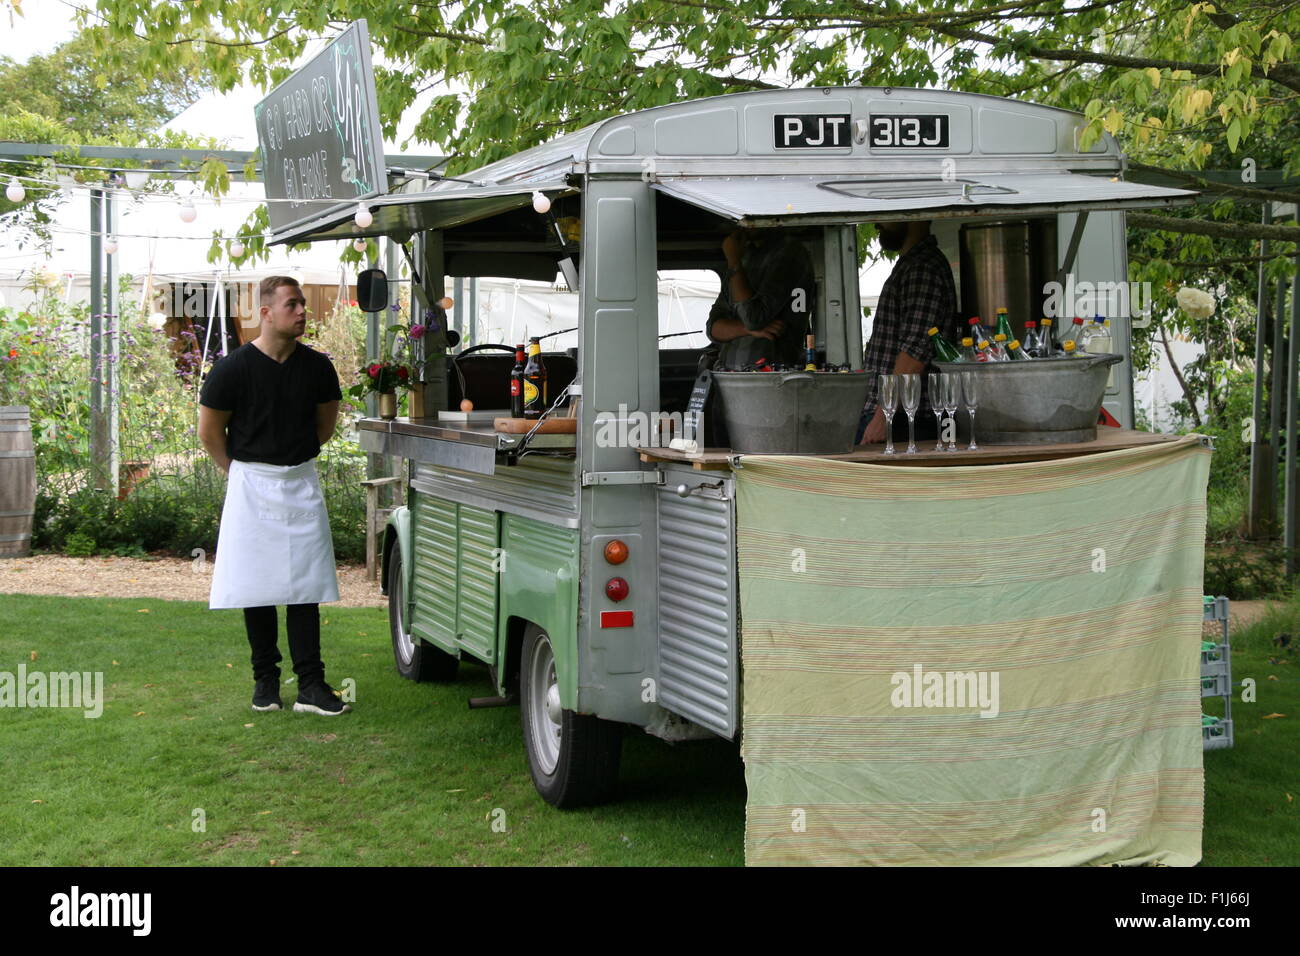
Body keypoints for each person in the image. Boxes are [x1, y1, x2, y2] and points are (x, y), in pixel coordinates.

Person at [197, 275, 350, 716]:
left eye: (302, 303)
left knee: (306, 587)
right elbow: (210, 433)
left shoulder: (318, 367)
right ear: (265, 312)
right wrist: (243, 474)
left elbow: (325, 426)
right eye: (292, 304)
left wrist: (289, 466)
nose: (302, 311)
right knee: (256, 586)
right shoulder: (232, 370)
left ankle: (311, 687)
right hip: (251, 485)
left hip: (300, 481)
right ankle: (265, 684)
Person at [857, 220, 959, 446]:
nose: (877, 223)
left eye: (888, 215)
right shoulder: (913, 264)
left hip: (908, 419)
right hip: (901, 416)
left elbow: (915, 351)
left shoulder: (922, 268)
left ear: (913, 216)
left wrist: (884, 416)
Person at [705, 227, 815, 370]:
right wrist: (745, 329)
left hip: (771, 378)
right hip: (729, 374)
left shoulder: (789, 253)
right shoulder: (745, 255)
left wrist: (733, 262)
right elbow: (713, 328)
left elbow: (753, 319)